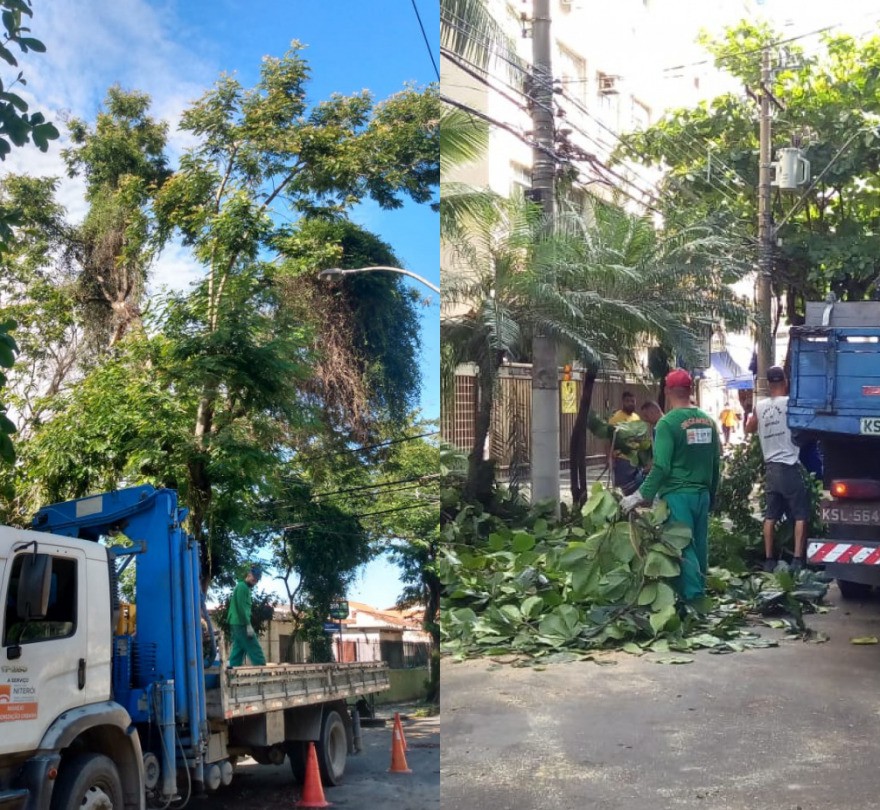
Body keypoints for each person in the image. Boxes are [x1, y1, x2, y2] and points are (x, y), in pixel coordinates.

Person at [620, 370, 721, 602]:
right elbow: (716, 463)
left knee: (682, 546)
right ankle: (696, 593)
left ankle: (694, 599)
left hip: (677, 495)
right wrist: (712, 495)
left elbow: (662, 467)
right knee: (699, 544)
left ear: (667, 391)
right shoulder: (708, 422)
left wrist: (639, 495)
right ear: (691, 390)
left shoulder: (667, 424)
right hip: (702, 494)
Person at [744, 365, 809, 573]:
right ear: (785, 382)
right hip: (789, 466)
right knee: (801, 515)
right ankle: (798, 559)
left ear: (769, 384)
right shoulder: (791, 403)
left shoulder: (760, 406)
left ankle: (769, 559)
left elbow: (749, 428)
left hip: (770, 468)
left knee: (770, 516)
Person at [227, 564, 267, 666]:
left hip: (236, 623)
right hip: (241, 624)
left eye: (257, 580)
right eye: (254, 578)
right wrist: (248, 624)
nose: (255, 581)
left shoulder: (243, 587)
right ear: (249, 574)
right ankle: (264, 676)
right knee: (255, 648)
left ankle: (232, 676)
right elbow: (241, 608)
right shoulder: (242, 587)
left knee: (238, 650)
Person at [608, 391, 643, 494]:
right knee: (623, 489)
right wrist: (610, 458)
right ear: (623, 402)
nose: (630, 403)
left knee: (635, 487)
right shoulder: (615, 418)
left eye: (632, 401)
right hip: (621, 459)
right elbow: (609, 439)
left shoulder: (637, 417)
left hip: (635, 460)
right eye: (628, 401)